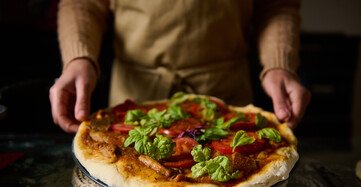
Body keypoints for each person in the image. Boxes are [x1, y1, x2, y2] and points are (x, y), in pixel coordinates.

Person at [49, 0, 311, 133]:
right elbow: (81, 3)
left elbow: (277, 4)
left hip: (225, 96)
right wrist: (79, 58)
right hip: (134, 100)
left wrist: (279, 64)